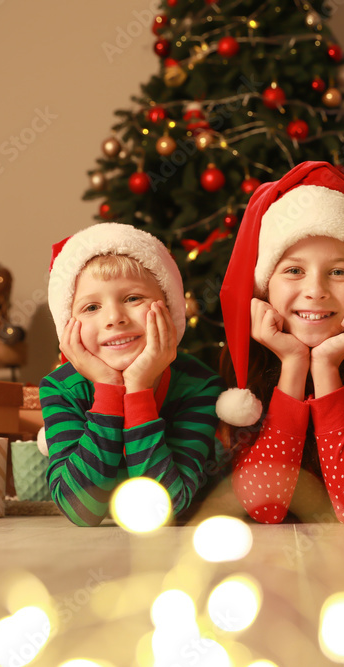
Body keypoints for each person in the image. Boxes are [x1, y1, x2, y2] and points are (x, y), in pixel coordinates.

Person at [217, 161, 344, 524]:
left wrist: (326, 366)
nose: (315, 291)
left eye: (339, 272)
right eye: (294, 270)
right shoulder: (245, 354)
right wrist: (294, 365)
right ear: (266, 287)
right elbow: (265, 508)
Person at [41, 223, 224, 526]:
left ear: (170, 306)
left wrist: (137, 389)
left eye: (132, 298)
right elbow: (81, 511)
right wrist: (109, 389)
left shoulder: (199, 385)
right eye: (91, 307)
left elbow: (165, 508)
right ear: (68, 326)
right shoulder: (61, 389)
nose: (114, 318)